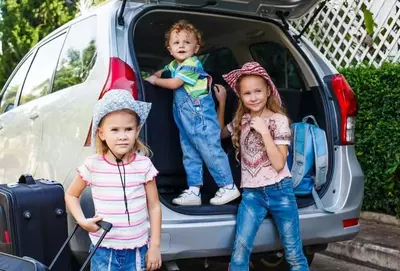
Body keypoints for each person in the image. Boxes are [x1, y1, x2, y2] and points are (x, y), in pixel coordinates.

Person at [214, 62, 309, 271]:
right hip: (251, 194)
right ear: (240, 96)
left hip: (280, 191)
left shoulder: (279, 120)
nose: (253, 97)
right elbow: (219, 133)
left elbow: (278, 163)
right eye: (247, 93)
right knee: (239, 253)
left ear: (268, 90)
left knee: (293, 253)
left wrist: (265, 132)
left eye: (258, 91)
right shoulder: (242, 120)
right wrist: (222, 102)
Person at [145, 20, 240, 206]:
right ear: (170, 49)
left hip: (201, 118)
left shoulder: (191, 65)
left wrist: (154, 82)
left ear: (196, 48)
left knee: (211, 150)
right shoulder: (174, 65)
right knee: (190, 154)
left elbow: (174, 84)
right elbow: (162, 71)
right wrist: (152, 76)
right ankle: (194, 190)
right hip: (186, 121)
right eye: (176, 42)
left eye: (187, 42)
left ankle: (228, 186)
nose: (181, 45)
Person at [65, 89, 162, 271]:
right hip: (104, 249)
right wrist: (82, 220)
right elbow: (71, 195)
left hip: (137, 249)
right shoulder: (93, 165)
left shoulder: (144, 165)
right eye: (115, 130)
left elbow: (154, 206)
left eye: (128, 129)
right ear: (102, 133)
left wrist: (155, 246)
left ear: (137, 130)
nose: (123, 136)